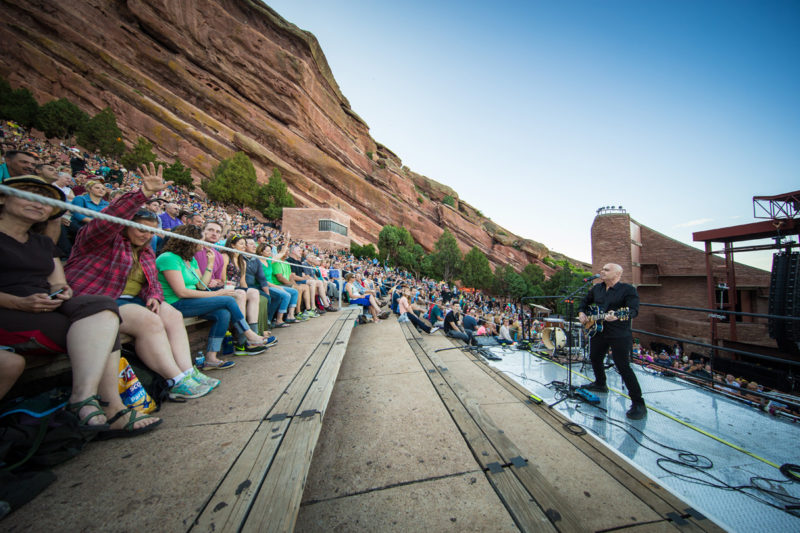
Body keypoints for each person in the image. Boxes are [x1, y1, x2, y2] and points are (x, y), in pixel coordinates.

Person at [0, 175, 161, 436]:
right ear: (3, 197)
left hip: (44, 306)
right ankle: (102, 407)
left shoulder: (42, 243)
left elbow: (56, 282)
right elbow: (105, 223)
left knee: (103, 308)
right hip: (12, 310)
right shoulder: (102, 236)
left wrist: (60, 292)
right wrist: (18, 303)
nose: (37, 202)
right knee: (102, 326)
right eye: (26, 193)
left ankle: (93, 402)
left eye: (44, 200)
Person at [65, 163, 218, 399]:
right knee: (149, 321)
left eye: (151, 231)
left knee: (172, 314)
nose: (146, 235)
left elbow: (152, 283)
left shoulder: (146, 251)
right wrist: (142, 195)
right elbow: (108, 220)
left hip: (131, 300)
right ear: (127, 226)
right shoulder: (100, 238)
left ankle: (188, 371)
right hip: (99, 300)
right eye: (140, 229)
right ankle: (175, 379)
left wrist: (155, 297)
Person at [156, 224, 269, 368]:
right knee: (228, 299)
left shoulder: (190, 259)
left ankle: (211, 357)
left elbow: (201, 286)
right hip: (175, 303)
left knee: (222, 314)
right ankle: (249, 335)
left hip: (192, 300)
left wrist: (210, 264)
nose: (203, 245)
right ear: (190, 241)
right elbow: (181, 292)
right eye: (201, 241)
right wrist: (218, 293)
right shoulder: (168, 258)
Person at [578, 263, 646, 420]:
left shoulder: (628, 290)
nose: (602, 271)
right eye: (602, 269)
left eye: (606, 270)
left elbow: (633, 310)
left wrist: (618, 315)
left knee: (623, 366)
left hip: (619, 333)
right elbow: (584, 302)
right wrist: (582, 312)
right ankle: (600, 383)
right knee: (595, 357)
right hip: (599, 330)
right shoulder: (597, 289)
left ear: (617, 274)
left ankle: (638, 403)